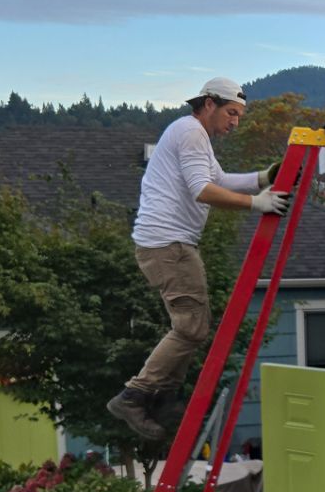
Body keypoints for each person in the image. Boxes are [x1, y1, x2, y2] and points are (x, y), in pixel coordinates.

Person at [106, 77, 289, 443]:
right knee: (190, 327)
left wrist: (261, 179)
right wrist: (258, 203)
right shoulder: (190, 132)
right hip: (168, 246)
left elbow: (217, 177)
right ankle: (134, 396)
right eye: (232, 113)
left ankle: (162, 399)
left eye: (239, 115)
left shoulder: (193, 135)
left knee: (195, 327)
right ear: (209, 104)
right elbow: (203, 191)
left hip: (168, 244)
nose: (235, 122)